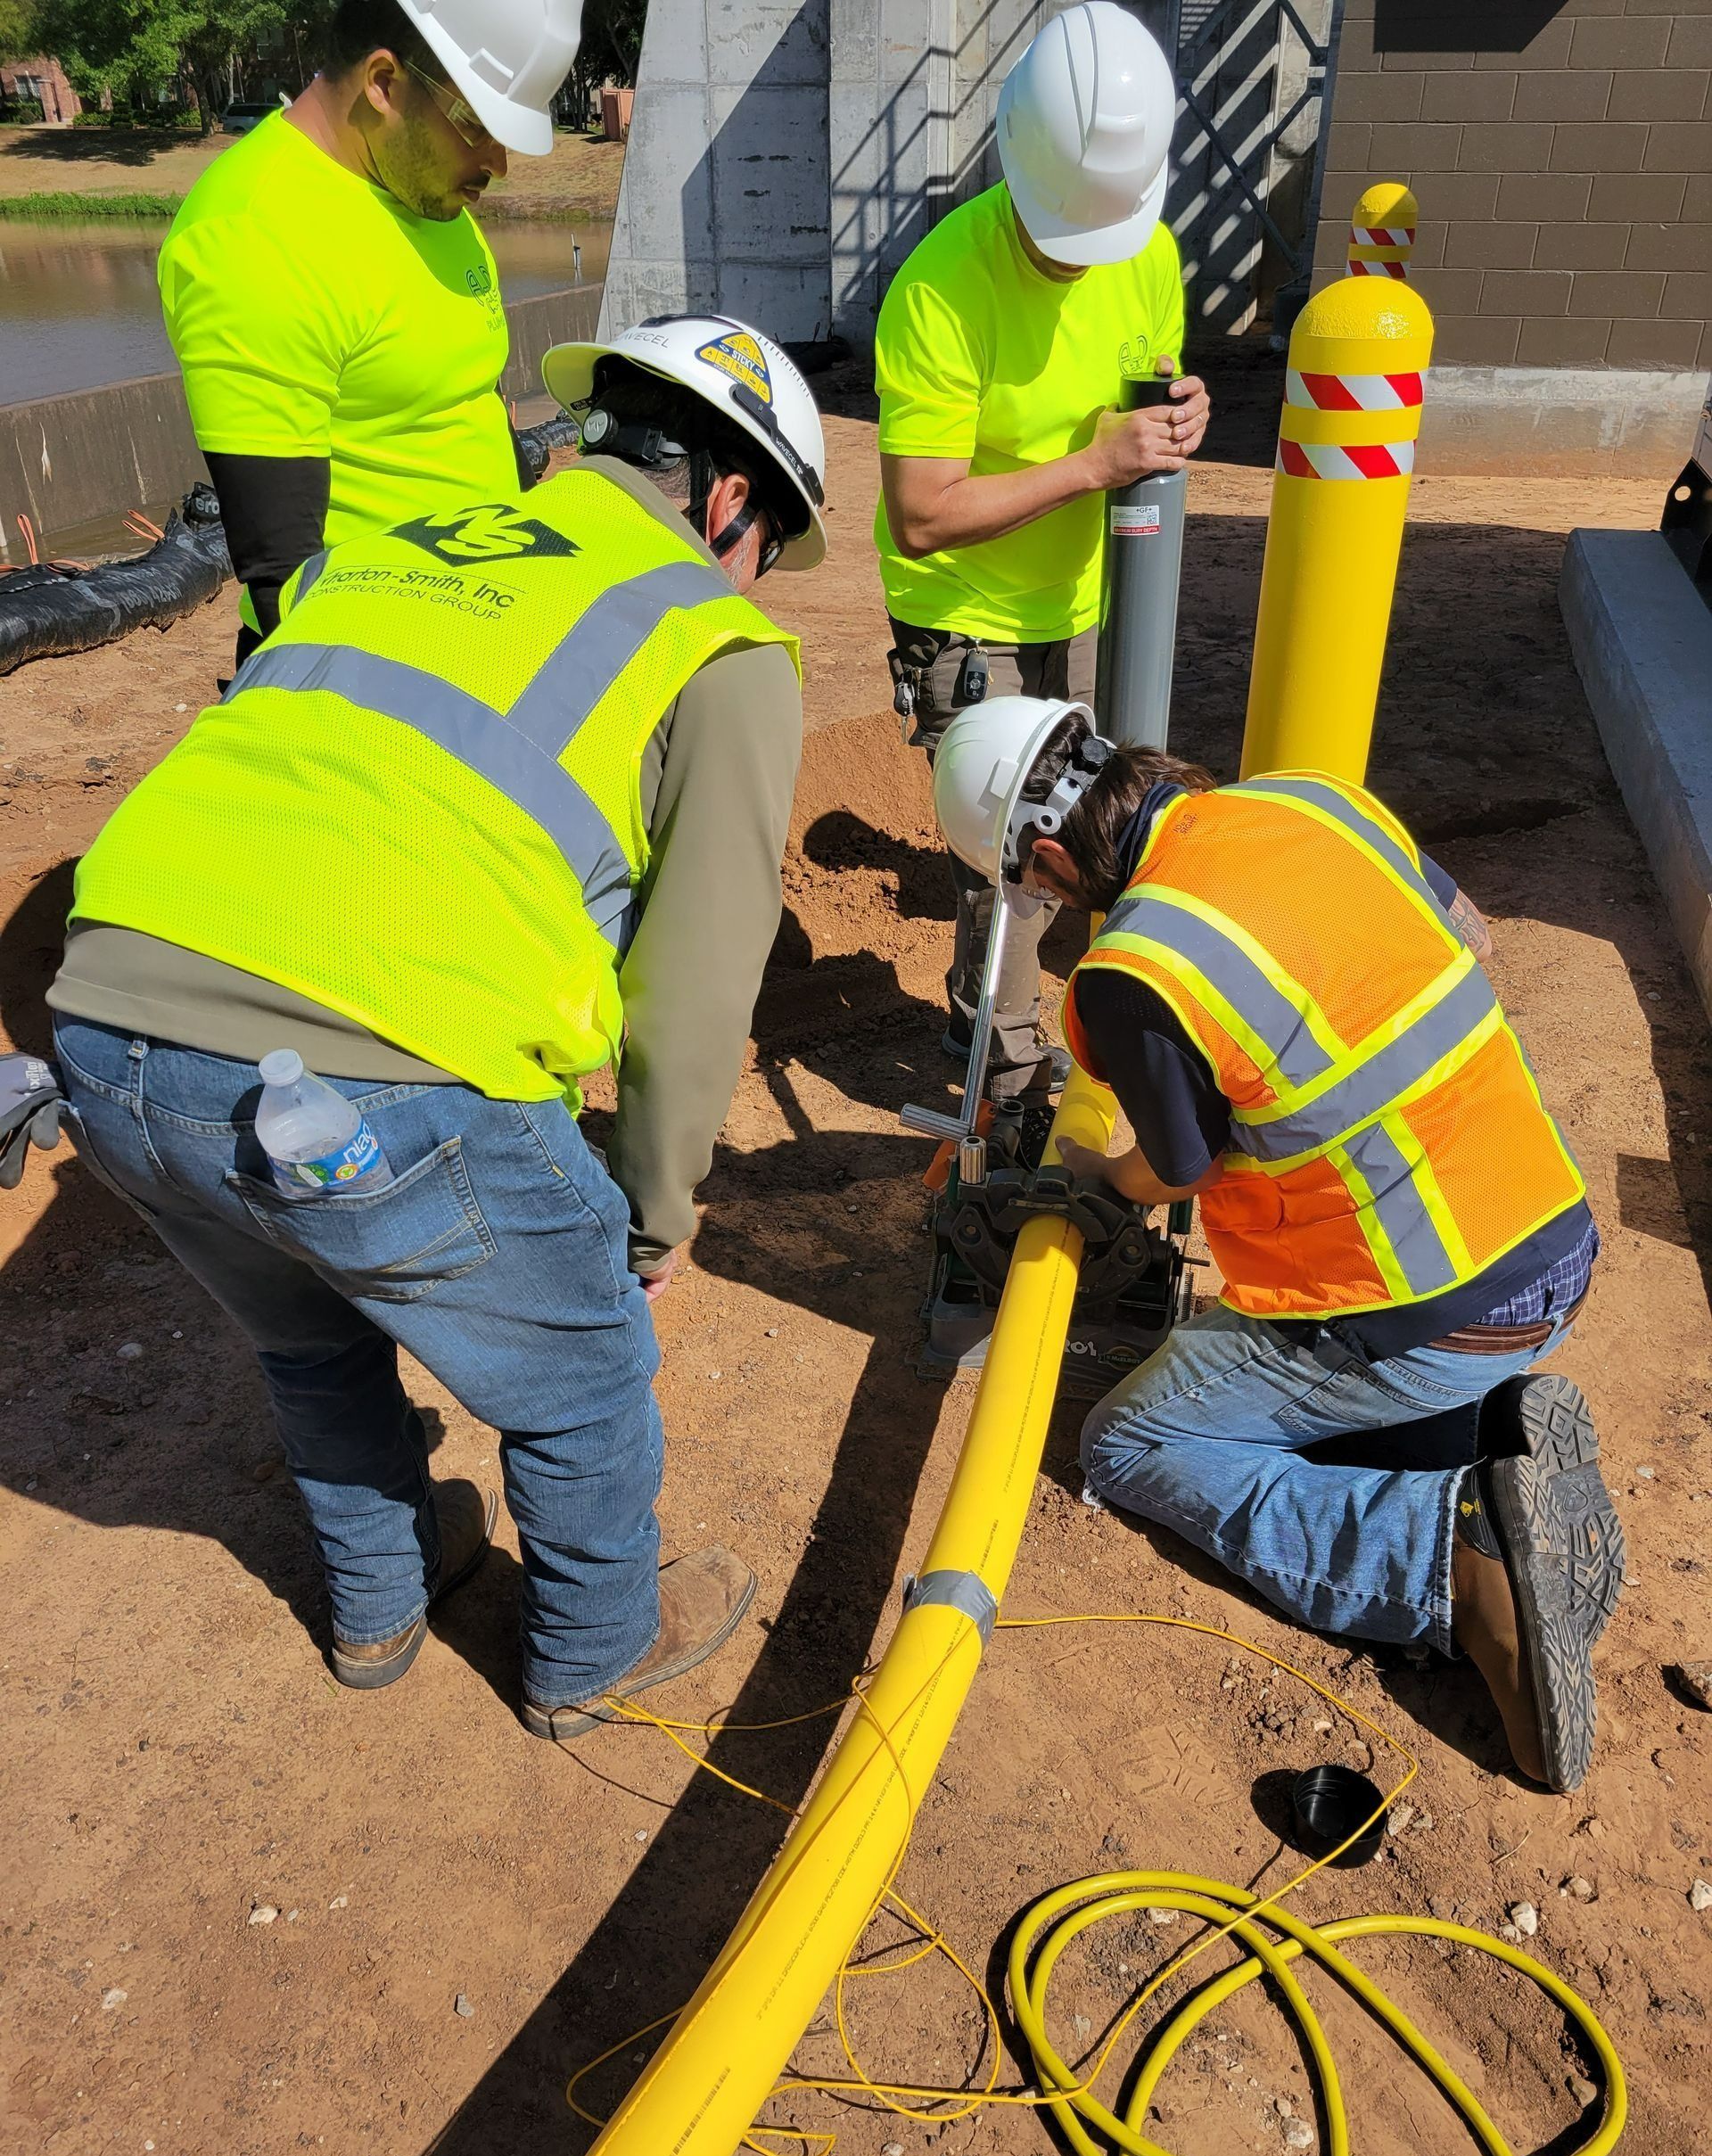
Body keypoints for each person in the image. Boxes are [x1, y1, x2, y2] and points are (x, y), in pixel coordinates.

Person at [45, 318, 827, 1743]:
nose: (755, 572)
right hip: (375, 1069)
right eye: (767, 541)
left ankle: (381, 1606)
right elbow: (701, 978)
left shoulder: (396, 547)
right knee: (585, 1366)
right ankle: (594, 1651)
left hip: (103, 1032)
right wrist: (644, 1228)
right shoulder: (718, 642)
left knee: (311, 1337)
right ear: (730, 500)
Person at [930, 699, 1624, 1793]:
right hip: (1550, 1237)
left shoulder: (1138, 964)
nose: (1056, 907)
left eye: (1043, 889)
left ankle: (1452, 1557)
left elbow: (1179, 1165)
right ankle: (1487, 1432)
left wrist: (1093, 1182)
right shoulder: (1308, 801)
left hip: (1420, 1304)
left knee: (1130, 1445)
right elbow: (1471, 933)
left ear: (1053, 856)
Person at [872, 1, 1210, 1107]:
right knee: (1011, 857)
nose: (1077, 261)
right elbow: (923, 513)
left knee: (1094, 823)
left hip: (1078, 596)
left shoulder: (1148, 251)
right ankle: (1001, 1076)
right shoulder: (939, 288)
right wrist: (1094, 466)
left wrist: (1176, 415)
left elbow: (1142, 392)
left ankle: (1053, 1025)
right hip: (967, 615)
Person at [159, 0, 581, 668]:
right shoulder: (256, 236)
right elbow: (286, 580)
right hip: (382, 674)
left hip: (489, 644)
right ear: (383, 83)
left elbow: (470, 408)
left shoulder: (426, 195)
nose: (497, 162)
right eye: (476, 124)